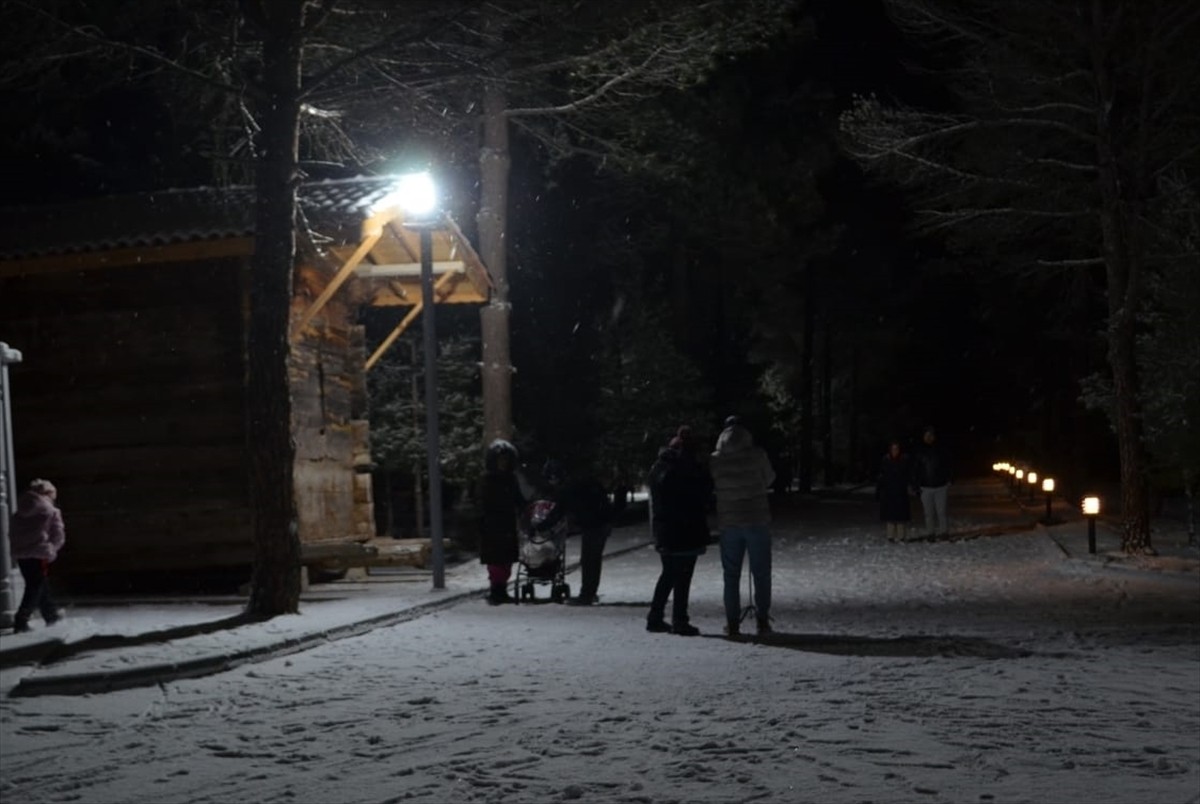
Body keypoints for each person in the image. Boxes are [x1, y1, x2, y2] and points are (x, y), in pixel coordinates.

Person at [709, 417, 776, 638]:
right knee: (761, 572)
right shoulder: (757, 455)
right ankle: (762, 620)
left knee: (731, 574)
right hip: (756, 519)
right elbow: (769, 479)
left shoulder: (715, 460)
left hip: (729, 523)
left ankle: (732, 623)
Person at [645, 426, 713, 636]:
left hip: (665, 529)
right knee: (683, 576)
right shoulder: (689, 469)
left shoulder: (659, 467)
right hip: (686, 529)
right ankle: (679, 619)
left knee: (668, 574)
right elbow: (702, 495)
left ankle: (656, 617)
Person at [535, 458, 614, 605]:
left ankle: (587, 595)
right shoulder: (578, 482)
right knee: (592, 559)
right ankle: (589, 592)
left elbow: (558, 513)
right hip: (600, 521)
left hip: (595, 524)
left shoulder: (567, 488)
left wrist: (539, 527)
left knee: (590, 559)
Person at [9, 478, 67, 633]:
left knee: (38, 583)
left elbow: (13, 533)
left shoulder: (19, 512)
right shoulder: (51, 511)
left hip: (21, 554)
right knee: (35, 586)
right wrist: (51, 549)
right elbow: (58, 535)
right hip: (39, 552)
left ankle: (50, 614)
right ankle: (22, 619)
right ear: (48, 494)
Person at [477, 440, 526, 605]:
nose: (503, 464)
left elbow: (518, 498)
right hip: (492, 524)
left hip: (507, 523)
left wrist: (525, 508)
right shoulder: (487, 479)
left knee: (506, 560)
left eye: (505, 460)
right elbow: (483, 502)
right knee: (495, 560)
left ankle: (502, 589)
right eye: (500, 460)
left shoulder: (510, 479)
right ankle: (496, 590)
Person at [912, 426, 952, 537]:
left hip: (940, 486)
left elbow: (947, 465)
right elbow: (915, 469)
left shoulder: (941, 450)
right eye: (927, 435)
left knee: (941, 511)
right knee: (928, 513)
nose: (929, 437)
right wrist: (915, 485)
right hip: (925, 487)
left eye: (931, 435)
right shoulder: (919, 451)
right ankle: (930, 532)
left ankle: (944, 532)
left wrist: (949, 479)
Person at [877, 439, 913, 542]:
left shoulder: (904, 460)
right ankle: (890, 536)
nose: (895, 451)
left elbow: (908, 474)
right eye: (893, 449)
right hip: (889, 491)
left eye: (896, 449)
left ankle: (901, 536)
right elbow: (881, 476)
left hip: (901, 491)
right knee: (890, 515)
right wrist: (879, 489)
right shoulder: (885, 460)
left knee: (901, 515)